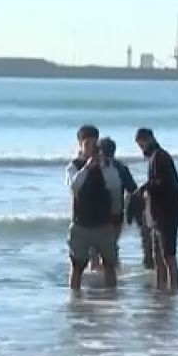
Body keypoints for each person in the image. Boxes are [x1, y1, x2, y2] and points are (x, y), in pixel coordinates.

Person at [65, 125, 123, 291]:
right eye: (87, 143)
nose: (91, 147)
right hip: (81, 223)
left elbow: (115, 185)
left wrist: (103, 165)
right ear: (80, 143)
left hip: (103, 223)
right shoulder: (74, 166)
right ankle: (75, 299)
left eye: (93, 143)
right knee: (77, 266)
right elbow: (74, 185)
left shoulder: (106, 165)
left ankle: (111, 297)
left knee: (110, 264)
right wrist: (86, 168)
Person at [135, 128, 178, 291]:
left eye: (142, 145)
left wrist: (144, 188)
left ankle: (173, 289)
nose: (141, 149)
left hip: (166, 213)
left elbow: (161, 182)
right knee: (158, 256)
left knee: (168, 256)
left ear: (149, 139)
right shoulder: (157, 156)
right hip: (159, 214)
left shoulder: (159, 156)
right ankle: (162, 289)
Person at [99, 138, 142, 270]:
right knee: (111, 245)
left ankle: (104, 273)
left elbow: (132, 190)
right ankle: (111, 271)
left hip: (107, 213)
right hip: (113, 211)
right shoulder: (120, 167)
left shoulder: (119, 168)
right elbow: (133, 190)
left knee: (101, 247)